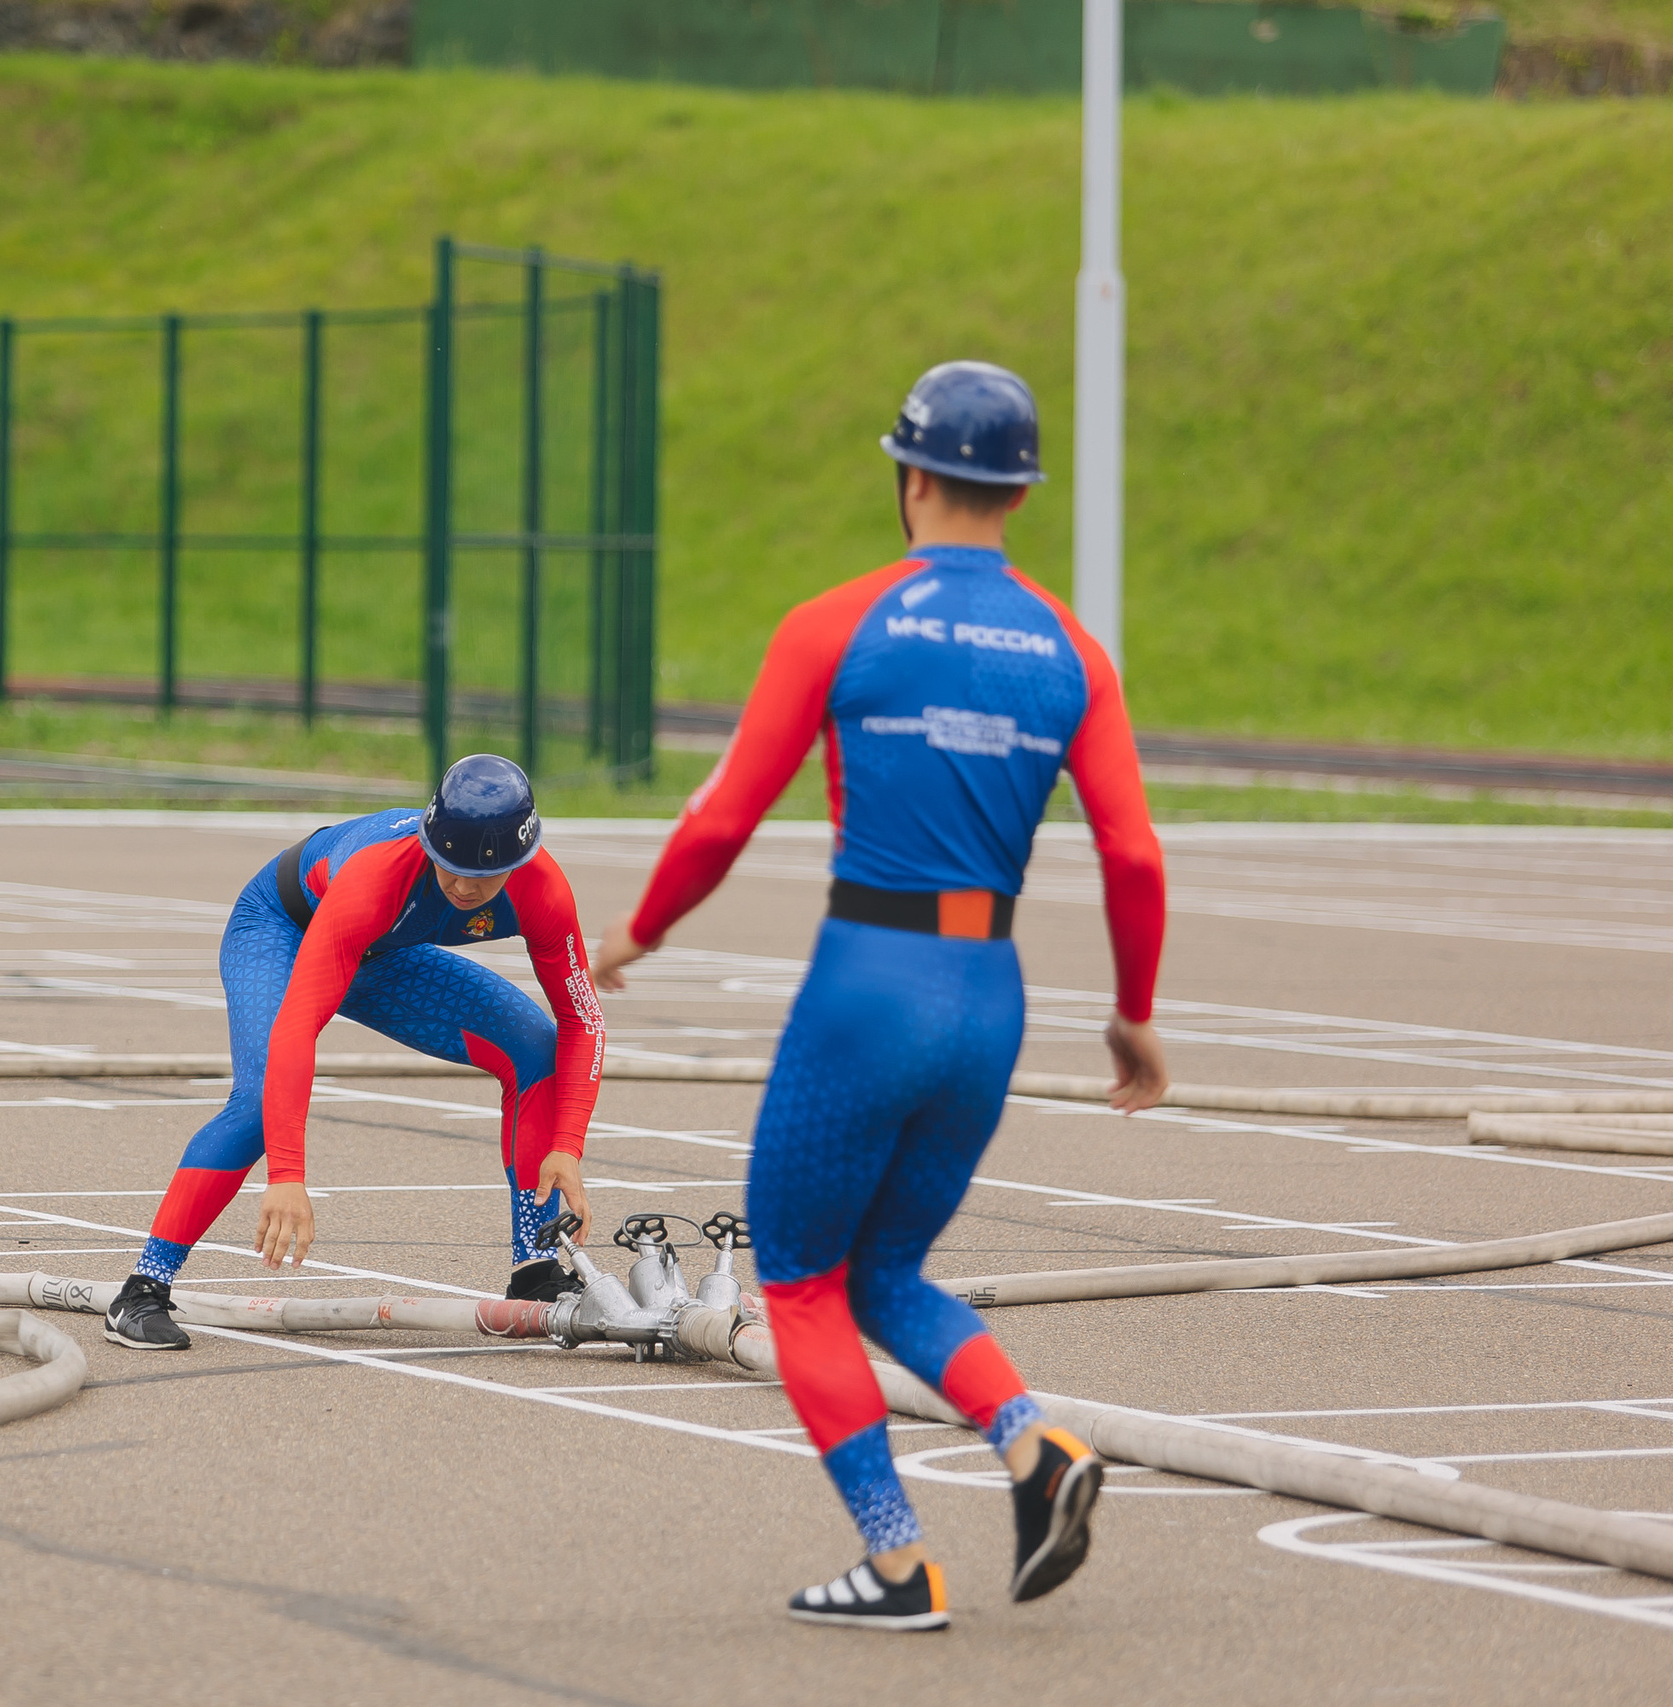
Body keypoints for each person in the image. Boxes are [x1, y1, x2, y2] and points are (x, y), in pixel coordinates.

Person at [591, 361, 1170, 1633]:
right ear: (1016, 492)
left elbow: (722, 811)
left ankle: (899, 1561)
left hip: (869, 980)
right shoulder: (1072, 648)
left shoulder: (838, 621)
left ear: (908, 478)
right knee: (890, 1269)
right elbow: (1131, 851)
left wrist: (641, 930)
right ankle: (1030, 1444)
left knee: (798, 1279)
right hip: (989, 994)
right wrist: (1132, 1009)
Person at [103, 754, 607, 1351]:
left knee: (535, 1049)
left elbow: (584, 1021)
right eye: (449, 867)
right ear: (428, 840)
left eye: (485, 877)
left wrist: (567, 1147)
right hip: (283, 930)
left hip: (383, 950)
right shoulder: (375, 878)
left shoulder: (544, 892)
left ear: (521, 863)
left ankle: (535, 1269)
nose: (466, 887)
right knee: (260, 1101)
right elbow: (296, 1024)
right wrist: (288, 1175)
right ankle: (143, 1289)